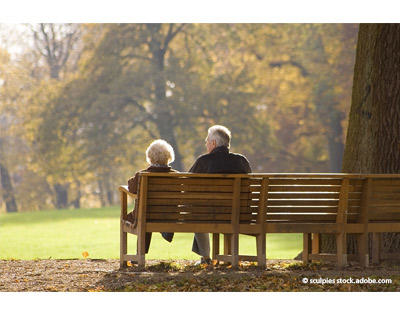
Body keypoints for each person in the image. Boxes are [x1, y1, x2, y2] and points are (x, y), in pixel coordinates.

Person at [188, 125, 252, 264]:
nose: (205, 143)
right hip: (240, 214)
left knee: (197, 210)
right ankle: (224, 257)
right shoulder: (241, 161)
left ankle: (205, 257)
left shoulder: (203, 161)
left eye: (207, 140)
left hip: (208, 215)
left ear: (213, 143)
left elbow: (186, 185)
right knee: (203, 209)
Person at [126, 139, 177, 254]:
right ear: (169, 156)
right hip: (168, 217)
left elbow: (132, 188)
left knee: (142, 213)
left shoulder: (142, 175)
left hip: (145, 216)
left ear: (150, 157)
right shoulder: (176, 177)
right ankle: (165, 229)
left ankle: (140, 254)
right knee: (148, 212)